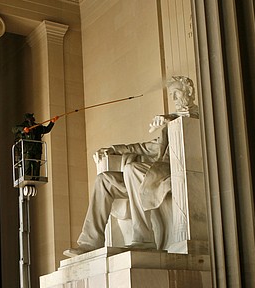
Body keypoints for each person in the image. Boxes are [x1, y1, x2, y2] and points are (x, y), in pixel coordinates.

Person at [64, 77, 199, 257]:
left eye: (177, 93)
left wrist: (170, 119)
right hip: (149, 177)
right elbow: (146, 147)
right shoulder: (170, 123)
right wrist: (114, 149)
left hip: (175, 173)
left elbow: (191, 125)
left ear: (189, 93)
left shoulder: (197, 117)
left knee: (132, 169)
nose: (174, 98)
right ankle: (90, 241)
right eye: (172, 95)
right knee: (104, 180)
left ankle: (144, 238)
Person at [12, 113, 57, 178]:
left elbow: (46, 129)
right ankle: (28, 178)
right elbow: (14, 129)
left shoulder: (37, 127)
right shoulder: (23, 125)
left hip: (37, 149)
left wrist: (52, 122)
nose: (33, 118)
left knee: (36, 166)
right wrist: (23, 129)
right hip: (27, 150)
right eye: (31, 117)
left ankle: (36, 178)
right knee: (27, 166)